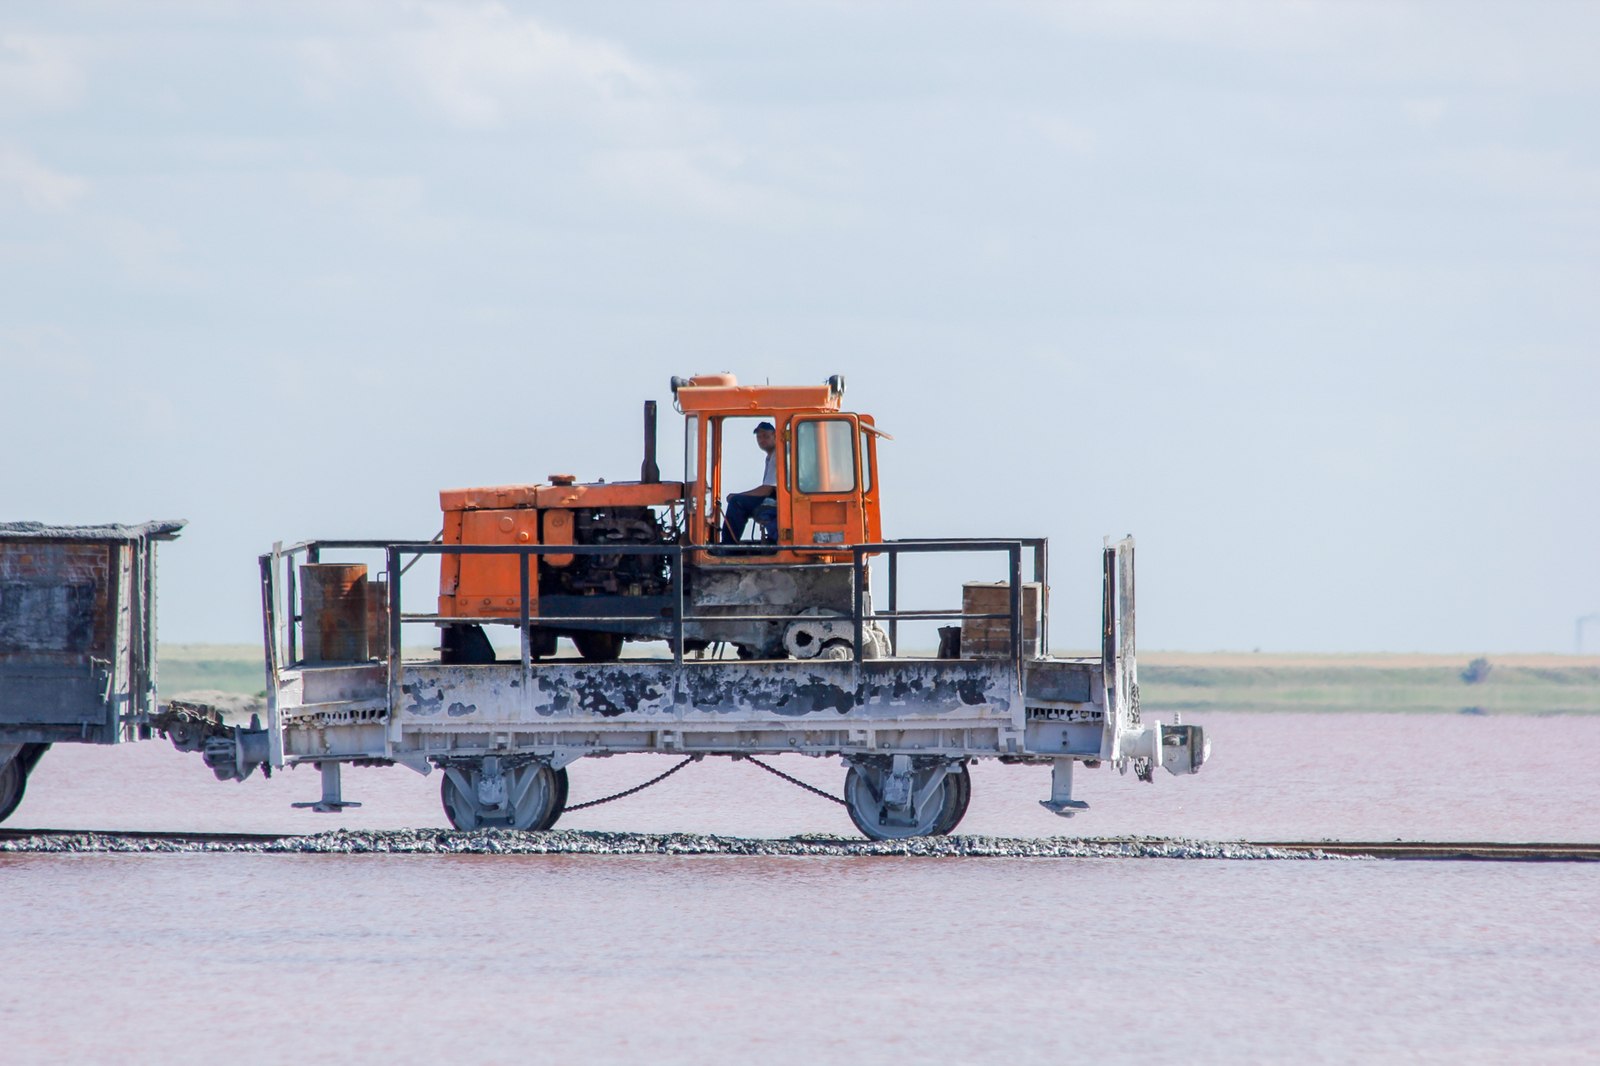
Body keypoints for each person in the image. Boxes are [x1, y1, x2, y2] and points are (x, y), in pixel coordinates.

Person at [722, 421, 778, 543]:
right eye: (759, 437)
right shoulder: (771, 456)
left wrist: (737, 496)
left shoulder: (778, 455)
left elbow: (766, 490)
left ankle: (727, 547)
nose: (762, 440)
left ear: (776, 436)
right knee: (739, 501)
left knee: (737, 503)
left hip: (780, 501)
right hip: (776, 497)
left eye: (766, 436)